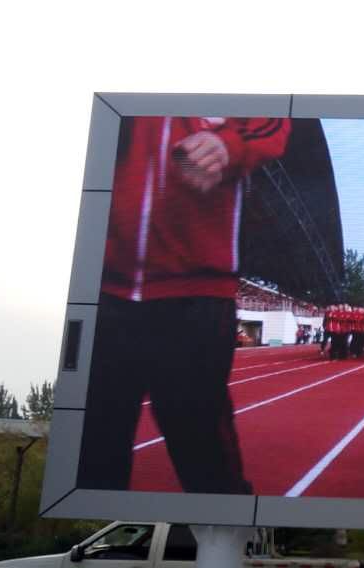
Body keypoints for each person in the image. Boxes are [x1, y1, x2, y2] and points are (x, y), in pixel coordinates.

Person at [78, 116, 290, 494]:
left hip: (193, 295)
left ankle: (227, 525)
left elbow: (275, 120)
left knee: (204, 450)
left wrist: (229, 144)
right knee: (93, 454)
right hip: (106, 290)